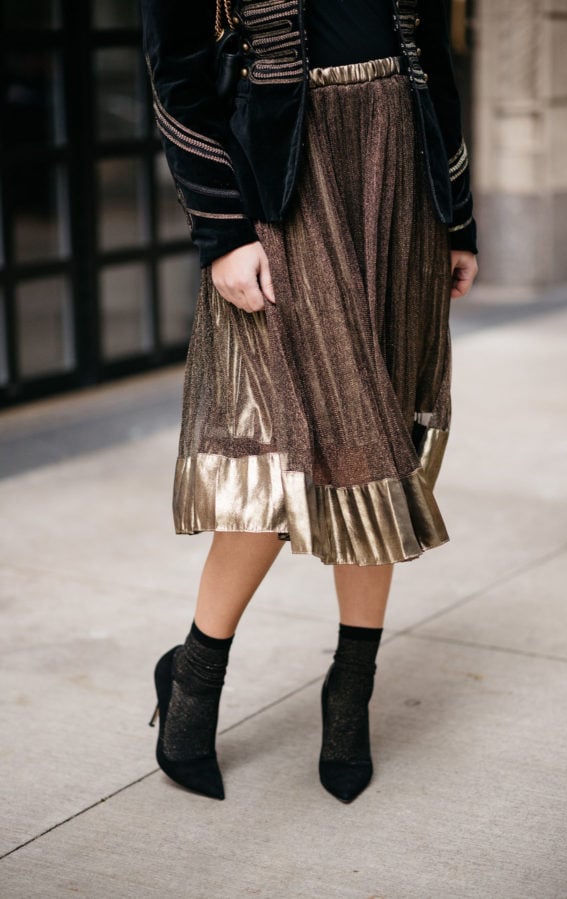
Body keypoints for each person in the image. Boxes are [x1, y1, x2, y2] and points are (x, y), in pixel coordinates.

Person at [141, 0, 478, 803]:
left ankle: (350, 687)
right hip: (283, 188)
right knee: (292, 445)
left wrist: (456, 217)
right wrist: (222, 232)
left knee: (377, 442)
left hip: (397, 180)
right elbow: (176, 75)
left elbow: (432, 52)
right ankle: (196, 672)